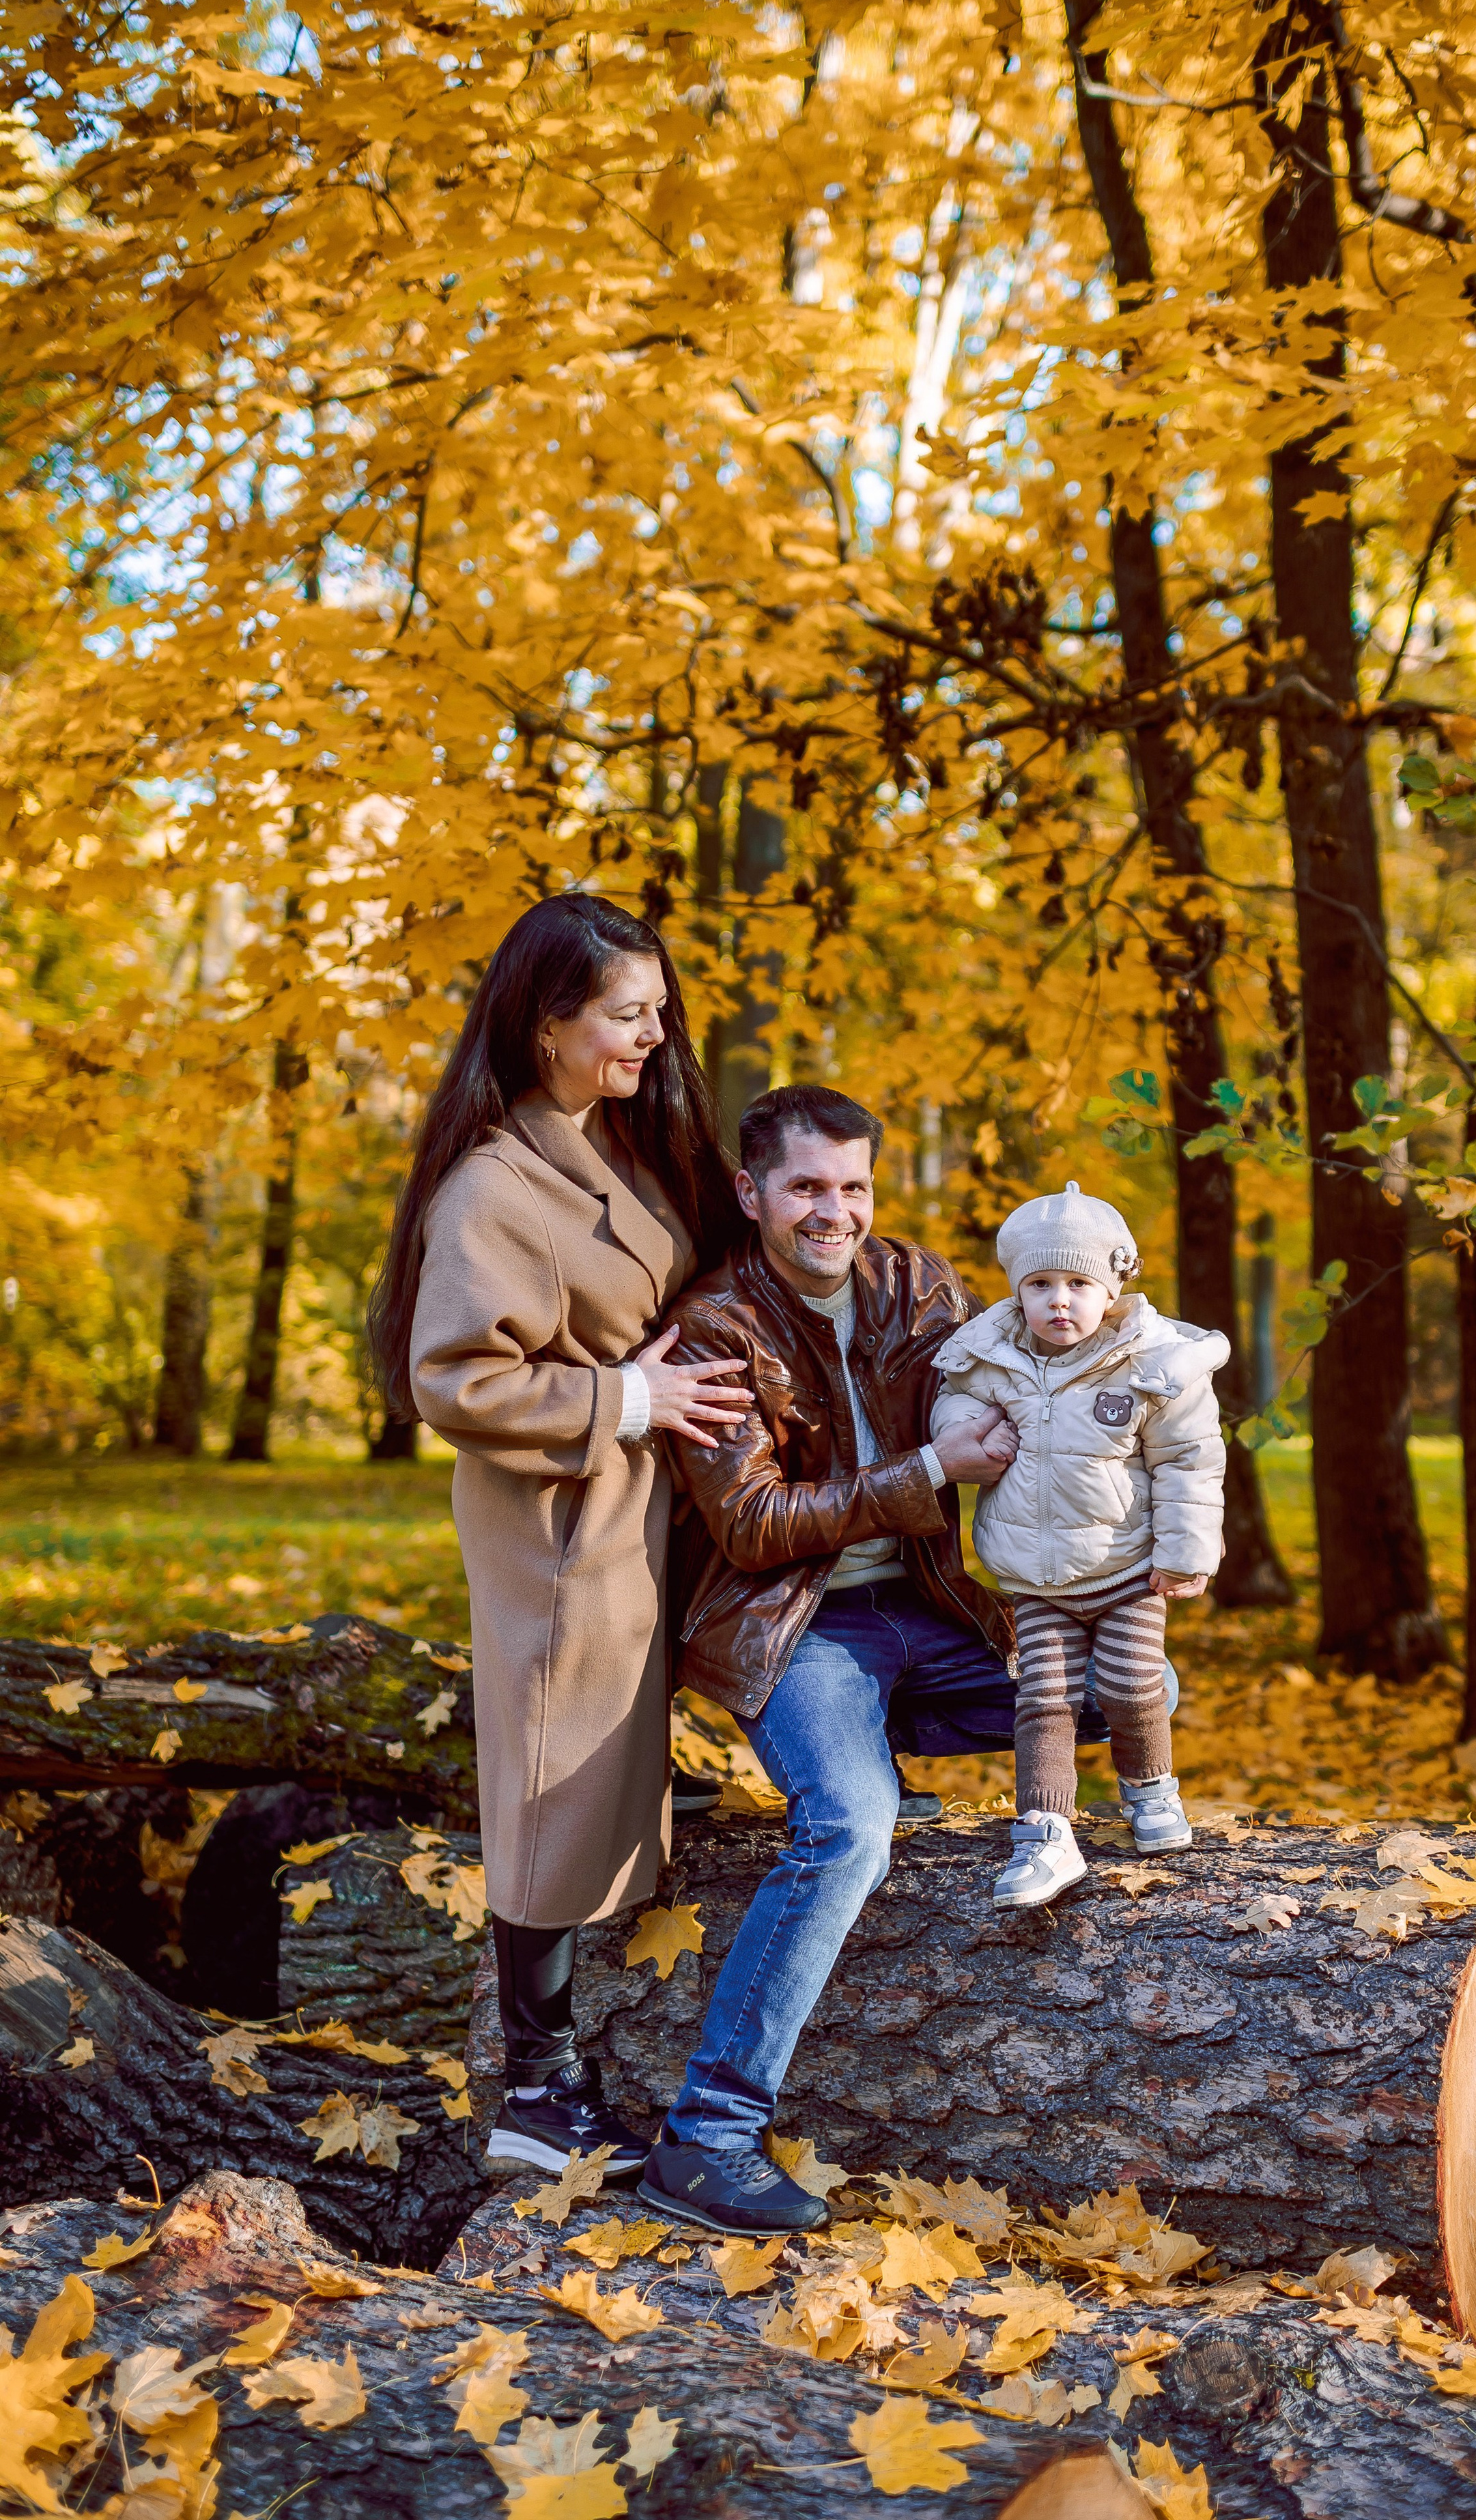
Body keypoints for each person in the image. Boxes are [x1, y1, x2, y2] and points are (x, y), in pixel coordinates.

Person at [367, 893, 750, 2180]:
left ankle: (565, 2068)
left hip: (634, 1512)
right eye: (628, 1014)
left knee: (595, 1776)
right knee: (547, 1789)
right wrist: (631, 1396)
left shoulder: (605, 1143)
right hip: (559, 1522)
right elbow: (456, 1381)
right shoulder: (495, 1182)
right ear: (548, 1024)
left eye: (659, 1010)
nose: (654, 1036)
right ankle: (537, 2094)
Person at [636, 1084, 1022, 2238]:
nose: (835, 1211)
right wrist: (925, 1476)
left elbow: (1030, 1391)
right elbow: (750, 1525)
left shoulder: (921, 1284)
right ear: (753, 1191)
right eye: (807, 1186)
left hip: (931, 1606)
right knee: (852, 1822)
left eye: (853, 1185)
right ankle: (706, 2134)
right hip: (797, 1624)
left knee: (1127, 1689)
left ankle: (886, 1727)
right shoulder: (718, 1326)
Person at [929, 1182, 1227, 1908]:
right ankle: (1043, 1827)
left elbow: (1189, 1457)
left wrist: (1185, 1549)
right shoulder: (990, 1353)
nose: (1059, 1300)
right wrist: (969, 1432)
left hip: (1124, 1569)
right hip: (1036, 1579)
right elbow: (953, 1401)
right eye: (1040, 1284)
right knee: (1044, 1698)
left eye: (1078, 1283)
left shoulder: (1152, 1362)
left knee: (1129, 1684)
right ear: (1016, 1289)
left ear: (1113, 1285)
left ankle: (1150, 1787)